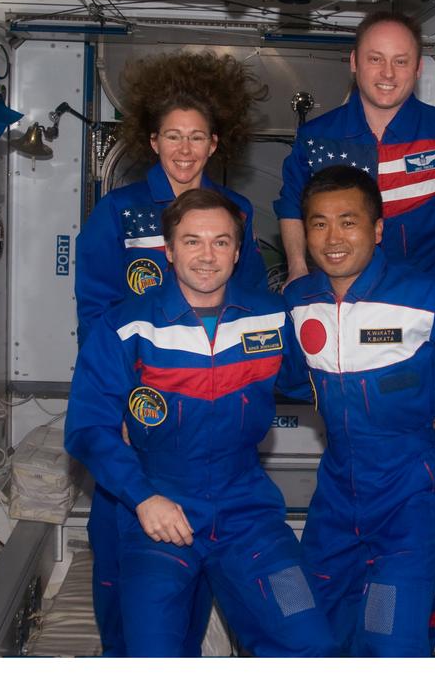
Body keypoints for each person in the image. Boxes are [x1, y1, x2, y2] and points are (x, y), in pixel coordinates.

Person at [66, 189, 333, 657]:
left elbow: (315, 379)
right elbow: (88, 428)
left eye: (221, 242)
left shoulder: (270, 319)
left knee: (309, 640)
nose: (207, 256)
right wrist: (142, 498)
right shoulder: (127, 327)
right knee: (152, 656)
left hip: (247, 512)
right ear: (169, 251)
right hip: (159, 512)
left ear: (238, 250)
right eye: (192, 241)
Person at [72, 50, 267, 655]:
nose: (185, 150)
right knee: (121, 588)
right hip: (137, 424)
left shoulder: (236, 216)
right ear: (153, 141)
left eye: (198, 137)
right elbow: (94, 320)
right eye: (173, 136)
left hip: (203, 434)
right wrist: (121, 417)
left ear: (215, 144)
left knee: (184, 597)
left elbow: (256, 317)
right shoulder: (117, 213)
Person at [284, 165, 435, 656]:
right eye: (318, 223)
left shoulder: (431, 296)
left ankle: (417, 622)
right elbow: (269, 376)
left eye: (348, 222)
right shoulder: (296, 301)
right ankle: (429, 617)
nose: (332, 237)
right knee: (311, 632)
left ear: (376, 229)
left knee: (385, 635)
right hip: (336, 489)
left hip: (407, 491)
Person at [275, 11, 435, 298]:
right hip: (337, 298)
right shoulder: (316, 137)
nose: (388, 73)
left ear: (418, 68)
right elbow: (291, 207)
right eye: (375, 59)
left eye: (400, 61)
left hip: (428, 297)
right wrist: (297, 268)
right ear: (355, 62)